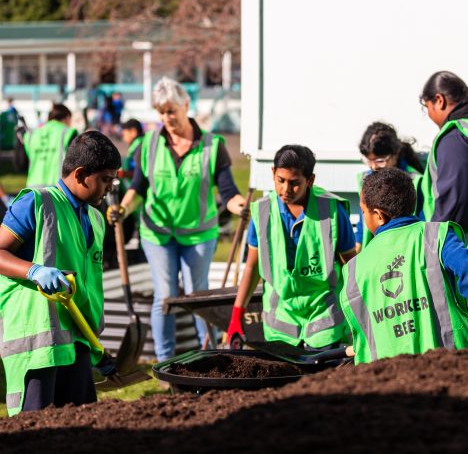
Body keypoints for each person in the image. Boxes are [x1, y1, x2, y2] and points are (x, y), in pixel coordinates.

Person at [107, 77, 247, 361]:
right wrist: (122, 208)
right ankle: (166, 362)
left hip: (198, 233)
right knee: (166, 296)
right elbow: (139, 187)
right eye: (161, 112)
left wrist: (240, 206)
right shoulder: (149, 145)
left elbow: (229, 191)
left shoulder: (212, 145)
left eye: (171, 110)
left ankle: (208, 358)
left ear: (186, 105)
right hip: (157, 232)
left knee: (198, 295)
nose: (166, 117)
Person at [0, 131, 121, 416]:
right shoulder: (37, 203)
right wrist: (34, 270)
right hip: (38, 345)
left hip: (75, 338)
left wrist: (94, 347)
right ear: (80, 175)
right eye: (106, 179)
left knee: (80, 428)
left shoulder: (95, 218)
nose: (110, 187)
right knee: (37, 431)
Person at [339, 168, 468, 365]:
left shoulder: (354, 268)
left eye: (363, 211)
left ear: (379, 215)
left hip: (389, 381)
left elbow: (362, 335)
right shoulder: (434, 236)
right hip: (453, 367)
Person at [227, 145, 357, 350]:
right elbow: (252, 267)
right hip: (282, 325)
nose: (286, 190)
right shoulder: (261, 212)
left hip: (324, 320)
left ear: (310, 180)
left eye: (295, 183)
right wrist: (237, 314)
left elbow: (352, 267)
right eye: (281, 181)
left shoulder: (332, 212)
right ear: (273, 173)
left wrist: (359, 313)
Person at [419, 71, 468, 279]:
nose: (428, 115)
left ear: (439, 100)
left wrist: (430, 257)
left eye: (426, 108)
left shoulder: (457, 136)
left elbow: (451, 210)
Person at [356, 121, 424, 251]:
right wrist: (357, 249)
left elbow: (423, 222)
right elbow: (362, 223)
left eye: (380, 160)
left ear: (395, 153)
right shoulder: (366, 180)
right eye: (368, 160)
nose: (374, 166)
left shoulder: (416, 181)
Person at [19, 104, 78, 187]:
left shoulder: (31, 135)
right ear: (67, 117)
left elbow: (21, 164)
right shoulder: (68, 132)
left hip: (33, 189)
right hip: (58, 189)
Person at [118, 118, 144, 184]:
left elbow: (139, 173)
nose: (123, 138)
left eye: (124, 134)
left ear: (133, 132)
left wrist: (121, 173)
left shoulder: (140, 148)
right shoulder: (137, 146)